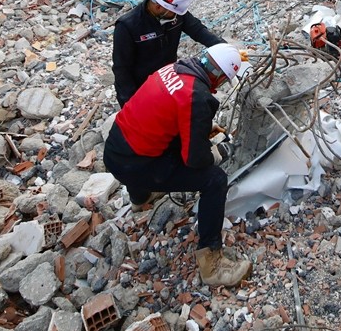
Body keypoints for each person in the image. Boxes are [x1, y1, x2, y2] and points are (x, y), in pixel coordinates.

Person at [104, 43, 253, 287]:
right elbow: (195, 160)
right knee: (214, 180)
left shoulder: (174, 69)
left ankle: (140, 199)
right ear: (219, 77)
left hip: (115, 149)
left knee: (150, 148)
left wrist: (198, 128)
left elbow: (167, 114)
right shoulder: (198, 96)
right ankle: (211, 264)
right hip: (136, 166)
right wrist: (215, 154)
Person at [112, 0, 224, 106]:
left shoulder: (176, 13)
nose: (177, 15)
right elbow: (122, 69)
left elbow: (199, 31)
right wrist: (130, 103)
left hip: (167, 82)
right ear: (159, 7)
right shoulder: (128, 26)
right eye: (173, 13)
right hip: (142, 89)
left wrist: (225, 49)